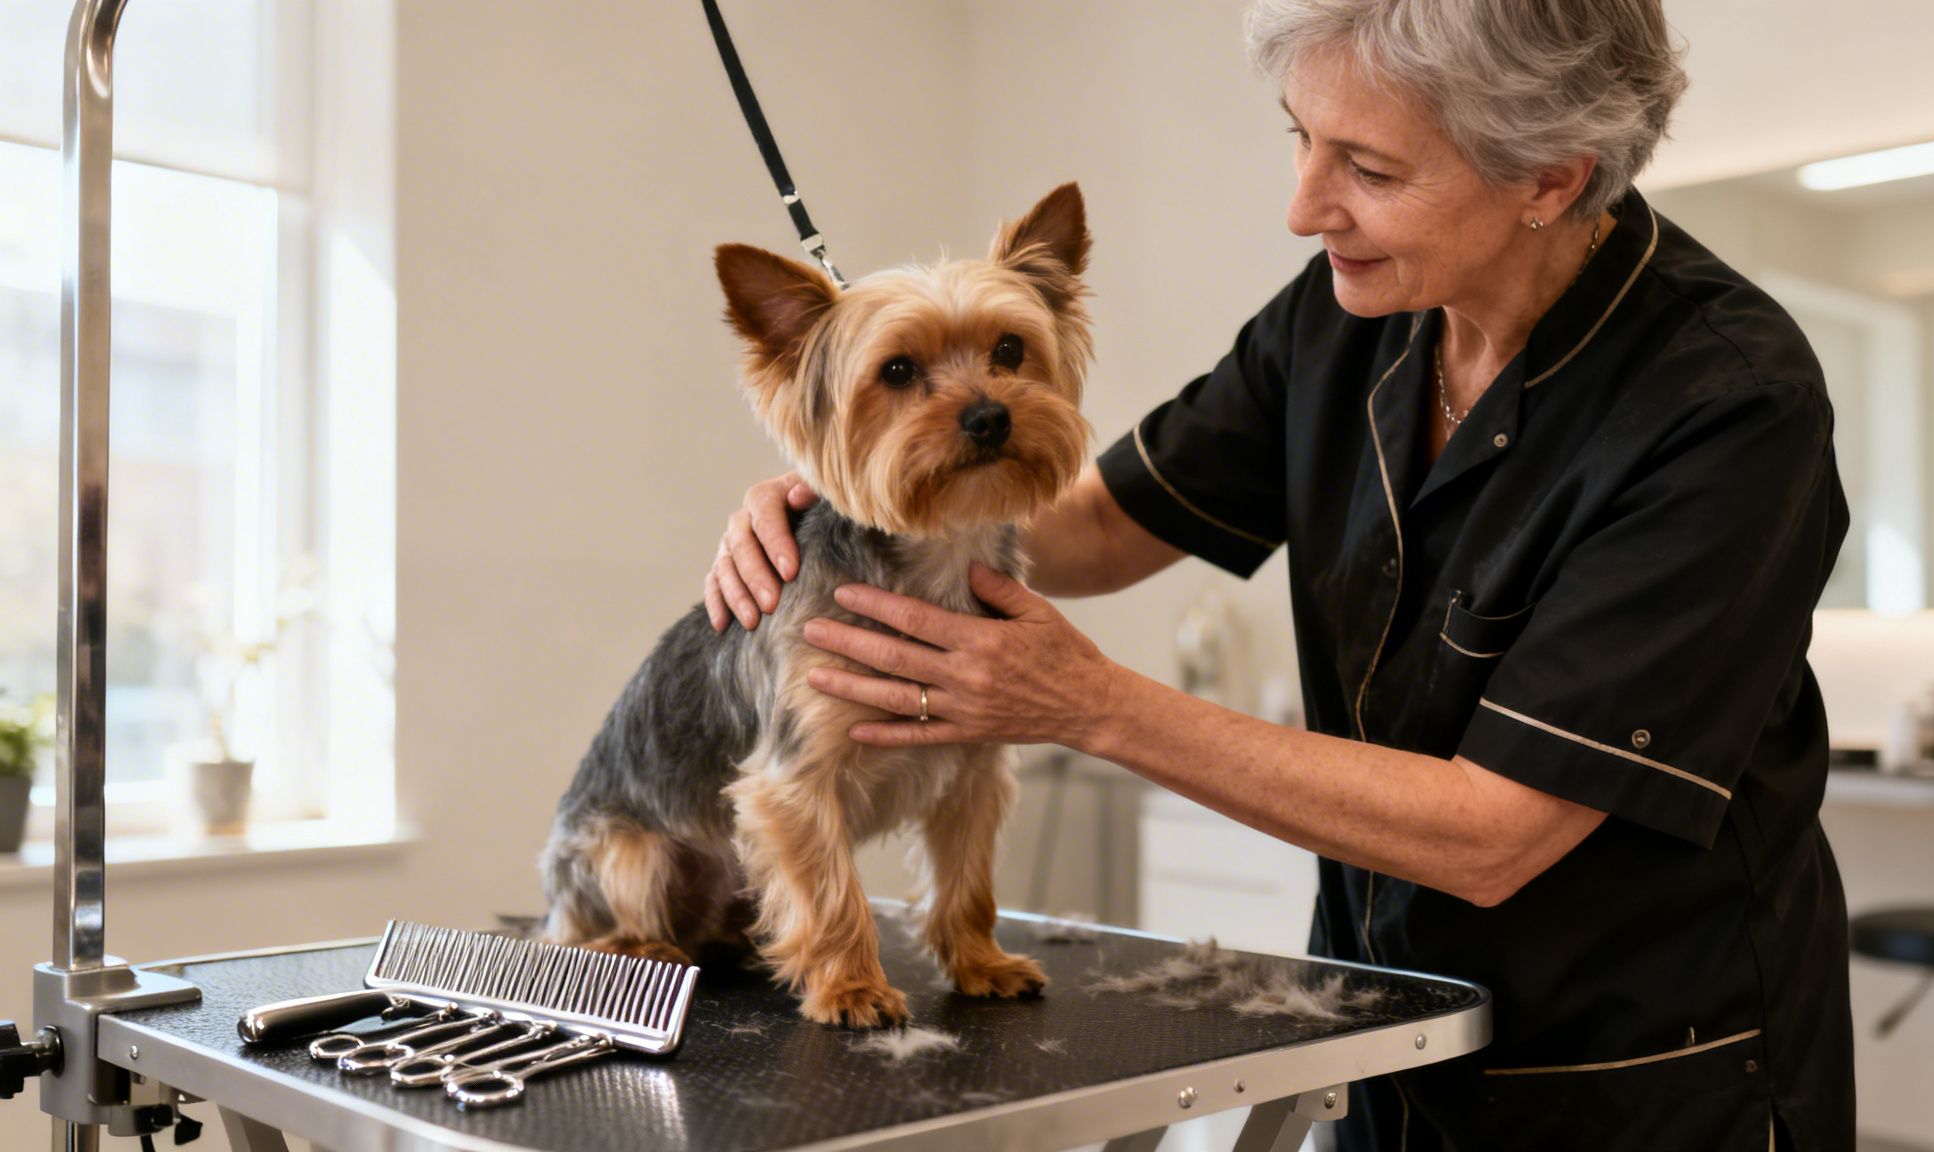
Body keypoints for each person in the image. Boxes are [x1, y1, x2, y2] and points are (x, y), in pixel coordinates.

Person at [705, 0, 1854, 1146]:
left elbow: (1491, 833)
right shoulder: (1355, 309)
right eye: (1297, 138)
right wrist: (856, 508)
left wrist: (1090, 705)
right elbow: (1099, 525)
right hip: (1378, 1024)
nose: (1303, 207)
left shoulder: (1722, 406)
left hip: (1635, 1078)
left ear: (1549, 177)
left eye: (1364, 167)